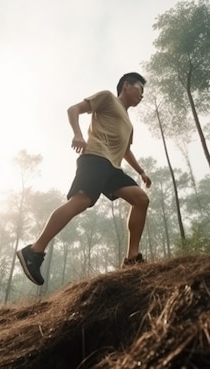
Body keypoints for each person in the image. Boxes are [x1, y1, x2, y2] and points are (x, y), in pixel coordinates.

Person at [17, 72, 152, 285]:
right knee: (81, 201)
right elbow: (74, 109)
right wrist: (78, 134)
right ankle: (34, 251)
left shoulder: (129, 123)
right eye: (140, 89)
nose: (142, 95)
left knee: (141, 199)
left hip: (113, 168)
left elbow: (126, 151)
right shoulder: (107, 98)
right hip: (95, 157)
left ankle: (132, 258)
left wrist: (141, 171)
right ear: (127, 85)